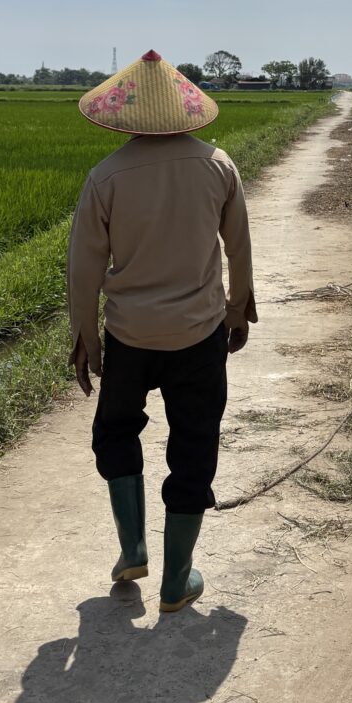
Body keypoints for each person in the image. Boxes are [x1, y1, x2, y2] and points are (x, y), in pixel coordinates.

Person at [67, 49, 256, 612]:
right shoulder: (218, 165)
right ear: (186, 110)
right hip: (199, 337)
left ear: (125, 115)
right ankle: (177, 581)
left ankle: (133, 547)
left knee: (116, 431)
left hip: (129, 335)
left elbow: (84, 267)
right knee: (194, 445)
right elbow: (239, 247)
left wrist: (86, 337)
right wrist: (238, 308)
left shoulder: (106, 176)